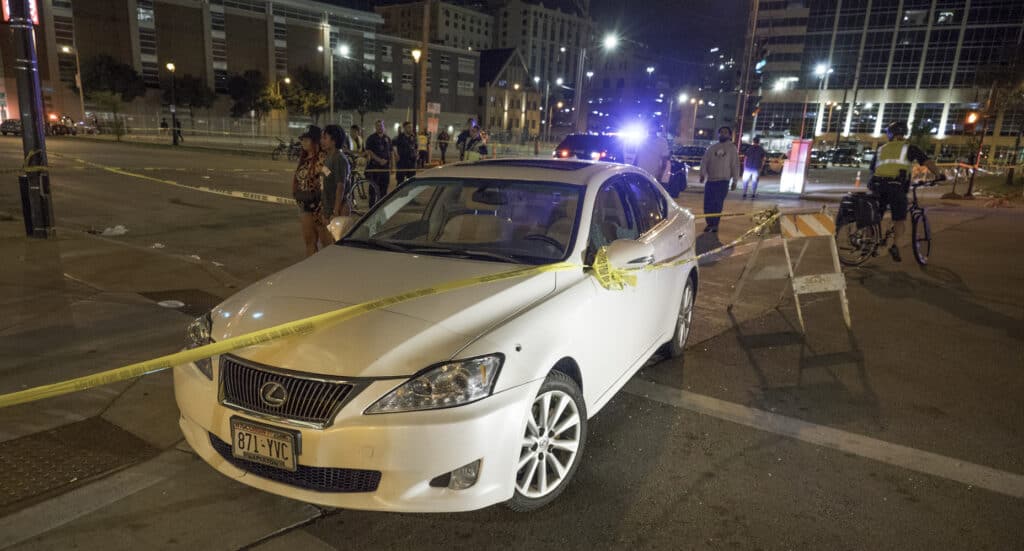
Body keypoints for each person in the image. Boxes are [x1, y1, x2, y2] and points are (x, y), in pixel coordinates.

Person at [869, 121, 944, 262]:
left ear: (890, 134)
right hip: (896, 187)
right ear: (904, 133)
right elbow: (927, 162)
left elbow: (872, 169)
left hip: (877, 184)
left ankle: (869, 242)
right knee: (899, 219)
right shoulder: (910, 148)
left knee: (875, 215)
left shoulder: (881, 149)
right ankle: (895, 246)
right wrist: (939, 175)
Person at [291, 126, 333, 256]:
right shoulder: (303, 159)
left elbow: (329, 180)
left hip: (320, 206)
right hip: (305, 205)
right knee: (309, 241)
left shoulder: (324, 158)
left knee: (327, 243)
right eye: (302, 139)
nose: (303, 142)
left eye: (306, 139)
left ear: (315, 141)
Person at [699, 126, 741, 233]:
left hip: (723, 181)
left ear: (729, 135)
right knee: (708, 204)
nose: (723, 134)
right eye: (721, 132)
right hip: (711, 181)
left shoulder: (732, 149)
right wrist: (702, 174)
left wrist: (735, 180)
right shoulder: (712, 148)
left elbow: (735, 165)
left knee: (717, 204)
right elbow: (704, 161)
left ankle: (715, 224)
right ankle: (709, 223)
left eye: (725, 132)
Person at [321, 124, 351, 220]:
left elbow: (340, 185)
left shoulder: (339, 158)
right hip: (328, 207)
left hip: (337, 209)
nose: (322, 141)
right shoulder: (329, 156)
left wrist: (336, 210)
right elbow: (331, 175)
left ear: (334, 141)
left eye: (325, 138)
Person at [364, 120, 393, 206]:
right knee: (373, 189)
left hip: (385, 168)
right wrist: (379, 160)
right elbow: (369, 151)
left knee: (384, 189)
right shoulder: (371, 138)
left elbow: (390, 152)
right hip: (374, 168)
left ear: (384, 127)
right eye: (378, 126)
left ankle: (381, 207)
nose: (380, 127)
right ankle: (371, 208)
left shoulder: (387, 139)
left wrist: (391, 165)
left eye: (381, 126)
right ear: (375, 127)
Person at [394, 121, 418, 186]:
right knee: (400, 181)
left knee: (411, 182)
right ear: (404, 128)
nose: (410, 129)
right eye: (409, 127)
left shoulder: (413, 137)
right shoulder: (400, 137)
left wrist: (416, 154)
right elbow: (394, 146)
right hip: (402, 162)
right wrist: (396, 155)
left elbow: (415, 147)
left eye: (411, 127)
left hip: (411, 162)